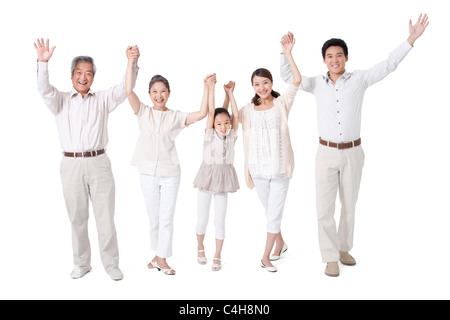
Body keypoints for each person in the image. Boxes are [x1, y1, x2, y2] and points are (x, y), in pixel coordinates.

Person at [280, 14, 429, 277]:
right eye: (329, 56)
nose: (334, 60)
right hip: (325, 152)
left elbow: (389, 64)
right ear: (324, 60)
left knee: (349, 204)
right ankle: (329, 257)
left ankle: (343, 248)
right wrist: (286, 53)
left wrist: (412, 38)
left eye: (339, 55)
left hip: (353, 152)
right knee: (324, 207)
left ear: (346, 58)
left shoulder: (360, 79)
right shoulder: (315, 83)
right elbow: (287, 75)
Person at [35, 38, 140, 281]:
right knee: (77, 218)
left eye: (89, 73)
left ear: (93, 77)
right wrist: (42, 63)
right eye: (79, 73)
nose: (84, 77)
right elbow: (43, 89)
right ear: (72, 76)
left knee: (105, 217)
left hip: (99, 163)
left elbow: (127, 88)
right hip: (71, 165)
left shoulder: (102, 98)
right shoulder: (59, 99)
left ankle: (111, 264)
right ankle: (82, 264)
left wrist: (132, 62)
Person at [125, 46, 210, 275]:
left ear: (169, 93)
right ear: (149, 93)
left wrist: (207, 87)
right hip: (147, 172)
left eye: (163, 90)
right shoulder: (142, 112)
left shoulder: (175, 116)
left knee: (166, 217)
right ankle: (157, 254)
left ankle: (162, 259)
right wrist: (131, 62)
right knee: (154, 217)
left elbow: (202, 113)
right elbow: (127, 89)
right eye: (154, 91)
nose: (159, 95)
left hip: (170, 173)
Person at [239, 32, 301, 272]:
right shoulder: (247, 110)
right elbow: (231, 123)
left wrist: (288, 54)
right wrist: (227, 94)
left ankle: (265, 257)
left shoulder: (281, 104)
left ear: (271, 83)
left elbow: (296, 80)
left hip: (280, 169)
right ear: (253, 87)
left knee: (273, 214)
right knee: (270, 213)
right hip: (258, 170)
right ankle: (281, 244)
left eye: (265, 82)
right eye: (257, 84)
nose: (261, 87)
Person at [193, 78, 240, 271]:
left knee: (220, 220)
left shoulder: (232, 134)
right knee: (202, 218)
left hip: (223, 179)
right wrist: (210, 88)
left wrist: (230, 94)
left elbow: (232, 114)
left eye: (226, 123)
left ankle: (218, 255)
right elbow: (214, 112)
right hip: (207, 176)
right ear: (213, 125)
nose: (223, 126)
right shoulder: (210, 133)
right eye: (219, 124)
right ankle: (200, 246)